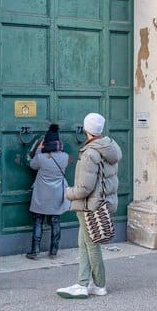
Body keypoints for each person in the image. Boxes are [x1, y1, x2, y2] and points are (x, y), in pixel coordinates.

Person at [56, 113, 122, 299]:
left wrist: (68, 192)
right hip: (102, 202)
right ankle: (83, 283)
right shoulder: (109, 147)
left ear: (86, 130)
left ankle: (98, 284)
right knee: (84, 243)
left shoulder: (90, 153)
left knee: (90, 245)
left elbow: (84, 187)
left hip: (89, 205)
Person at [26, 124, 71, 259]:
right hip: (57, 193)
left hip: (41, 194)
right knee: (56, 221)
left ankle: (35, 251)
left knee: (38, 221)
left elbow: (32, 165)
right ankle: (53, 250)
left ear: (46, 143)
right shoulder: (65, 156)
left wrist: (39, 150)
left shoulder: (41, 157)